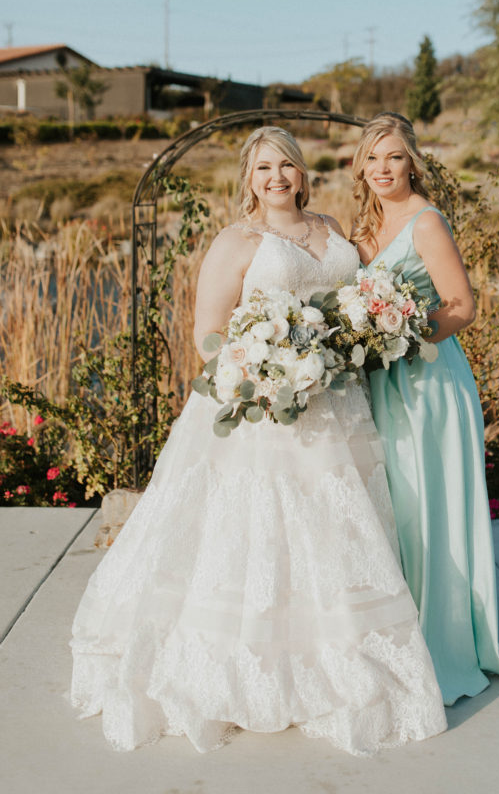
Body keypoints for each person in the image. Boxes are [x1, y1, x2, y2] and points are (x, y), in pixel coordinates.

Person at [70, 126, 447, 756]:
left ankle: (337, 657)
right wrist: (261, 371)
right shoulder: (236, 240)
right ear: (249, 179)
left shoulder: (331, 228)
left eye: (286, 166)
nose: (276, 178)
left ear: (302, 173)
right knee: (257, 531)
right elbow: (207, 333)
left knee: (334, 530)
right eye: (263, 168)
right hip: (261, 408)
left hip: (337, 403)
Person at [351, 112, 499, 705]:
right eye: (372, 158)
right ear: (360, 165)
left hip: (427, 384)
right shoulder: (365, 229)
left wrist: (402, 333)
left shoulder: (426, 222)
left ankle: (441, 644)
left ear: (413, 163)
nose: (382, 169)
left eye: (393, 157)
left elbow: (462, 305)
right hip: (381, 384)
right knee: (393, 510)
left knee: (429, 511)